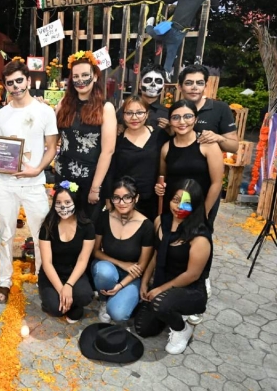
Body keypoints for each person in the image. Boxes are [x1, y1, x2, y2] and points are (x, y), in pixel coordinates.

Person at [0, 59, 58, 304]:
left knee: (43, 234)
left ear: (28, 81)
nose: (16, 86)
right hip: (6, 184)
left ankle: (44, 278)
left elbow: (52, 148)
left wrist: (37, 169)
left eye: (20, 81)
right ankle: (5, 280)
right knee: (6, 234)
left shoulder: (45, 111)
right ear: (5, 86)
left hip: (34, 182)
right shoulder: (0, 115)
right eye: (10, 83)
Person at [135, 179, 213, 355]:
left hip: (190, 287)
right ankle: (170, 310)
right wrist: (145, 283)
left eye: (187, 203)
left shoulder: (200, 236)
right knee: (142, 329)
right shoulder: (160, 221)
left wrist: (160, 290)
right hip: (163, 279)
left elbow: (192, 275)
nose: (179, 207)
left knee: (159, 303)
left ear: (196, 205)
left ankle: (183, 329)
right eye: (176, 200)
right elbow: (155, 255)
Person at [54, 51, 116, 223]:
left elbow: (108, 151)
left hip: (90, 179)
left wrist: (96, 187)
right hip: (63, 175)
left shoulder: (106, 108)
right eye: (76, 76)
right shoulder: (62, 105)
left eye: (85, 75)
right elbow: (52, 138)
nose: (80, 80)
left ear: (95, 76)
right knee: (63, 222)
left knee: (86, 225)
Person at [92, 177, 154, 323]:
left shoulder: (146, 226)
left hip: (132, 275)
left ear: (136, 198)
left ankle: (119, 297)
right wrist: (121, 263)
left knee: (118, 314)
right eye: (117, 198)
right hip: (107, 267)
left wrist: (120, 285)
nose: (121, 203)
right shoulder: (105, 217)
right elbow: (95, 251)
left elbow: (142, 265)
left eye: (127, 198)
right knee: (104, 272)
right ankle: (104, 300)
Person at [156, 100, 223, 224]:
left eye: (188, 116)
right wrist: (159, 187)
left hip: (199, 207)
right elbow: (162, 179)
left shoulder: (208, 145)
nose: (182, 122)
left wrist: (204, 212)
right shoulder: (166, 148)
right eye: (176, 117)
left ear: (196, 119)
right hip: (173, 209)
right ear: (170, 121)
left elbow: (217, 183)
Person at [38, 181, 95, 323]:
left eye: (67, 202)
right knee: (55, 309)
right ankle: (59, 300)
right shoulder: (48, 225)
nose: (63, 207)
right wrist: (61, 289)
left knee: (85, 295)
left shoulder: (87, 226)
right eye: (58, 202)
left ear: (76, 202)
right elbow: (47, 263)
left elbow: (82, 260)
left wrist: (69, 285)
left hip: (74, 271)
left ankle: (74, 304)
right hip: (52, 272)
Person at [145, 0, 219, 79]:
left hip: (172, 27)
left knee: (160, 39)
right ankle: (166, 71)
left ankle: (148, 25)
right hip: (179, 31)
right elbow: (216, 2)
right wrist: (215, 8)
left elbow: (168, 0)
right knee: (171, 50)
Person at [107, 96, 170, 220]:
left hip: (151, 200)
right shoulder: (117, 139)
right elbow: (111, 171)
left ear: (147, 115)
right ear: (123, 115)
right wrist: (108, 198)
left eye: (140, 113)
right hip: (123, 201)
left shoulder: (159, 135)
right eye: (129, 113)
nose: (134, 117)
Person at [178, 64, 239, 154]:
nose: (194, 87)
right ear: (180, 87)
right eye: (189, 83)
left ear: (205, 86)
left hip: (209, 165)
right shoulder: (175, 110)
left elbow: (234, 147)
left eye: (200, 83)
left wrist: (218, 138)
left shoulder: (220, 108)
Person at [117, 64, 169, 130]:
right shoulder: (125, 109)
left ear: (163, 87)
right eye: (148, 80)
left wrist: (170, 130)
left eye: (158, 81)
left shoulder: (167, 115)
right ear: (140, 85)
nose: (153, 84)